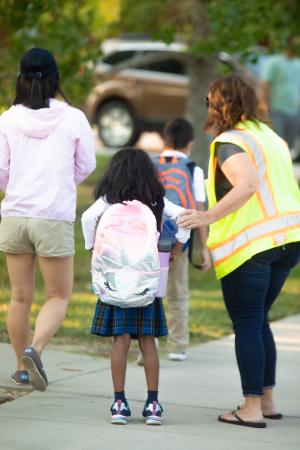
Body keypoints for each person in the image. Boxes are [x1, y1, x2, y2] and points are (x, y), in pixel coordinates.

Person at [178, 74, 300, 428]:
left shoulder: (230, 141)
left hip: (253, 244)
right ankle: (267, 400)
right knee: (259, 319)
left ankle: (250, 408)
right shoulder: (269, 136)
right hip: (288, 239)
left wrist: (206, 216)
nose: (209, 109)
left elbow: (246, 185)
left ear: (221, 105)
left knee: (247, 323)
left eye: (210, 102)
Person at [0, 48, 96, 391]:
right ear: (56, 77)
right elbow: (87, 164)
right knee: (58, 295)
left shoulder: (8, 118)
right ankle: (35, 351)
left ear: (21, 77)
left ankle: (21, 369)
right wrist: (61, 182)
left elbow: (1, 171)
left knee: (19, 297)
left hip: (14, 215)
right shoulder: (73, 118)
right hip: (53, 215)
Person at [81, 148, 190, 425]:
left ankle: (119, 403)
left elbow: (87, 219)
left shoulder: (108, 199)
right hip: (145, 284)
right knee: (147, 341)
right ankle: (152, 404)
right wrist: (177, 248)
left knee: (121, 340)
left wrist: (92, 246)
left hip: (114, 281)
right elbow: (185, 218)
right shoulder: (157, 200)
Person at [155, 118, 211, 361]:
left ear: (164, 139)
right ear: (190, 142)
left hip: (148, 239)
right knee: (177, 292)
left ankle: (147, 343)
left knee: (147, 293)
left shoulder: (150, 164)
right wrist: (204, 249)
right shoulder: (192, 169)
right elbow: (198, 211)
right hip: (180, 239)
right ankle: (177, 346)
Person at [259, 37, 300, 157]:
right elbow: (265, 86)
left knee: (290, 148)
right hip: (276, 110)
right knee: (276, 145)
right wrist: (265, 108)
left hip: (294, 111)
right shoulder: (274, 62)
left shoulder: (298, 63)